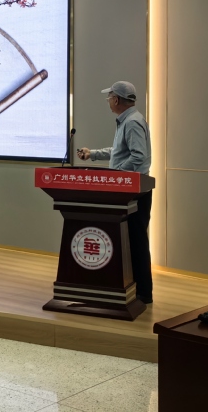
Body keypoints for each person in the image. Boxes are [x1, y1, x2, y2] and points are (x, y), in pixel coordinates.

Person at [76, 81, 153, 304]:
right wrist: (93, 154)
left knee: (137, 242)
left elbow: (138, 157)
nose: (108, 101)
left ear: (116, 99)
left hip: (135, 192)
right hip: (131, 190)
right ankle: (135, 289)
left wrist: (115, 175)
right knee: (132, 241)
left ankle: (143, 293)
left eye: (109, 97)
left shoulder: (132, 122)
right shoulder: (128, 120)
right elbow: (119, 152)